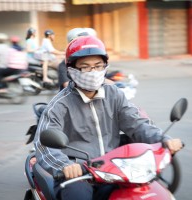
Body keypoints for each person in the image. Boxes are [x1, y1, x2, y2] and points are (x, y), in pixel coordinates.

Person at [33, 35, 183, 200]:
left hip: (116, 169)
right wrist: (65, 166)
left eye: (98, 66)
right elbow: (44, 144)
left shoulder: (114, 94)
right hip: (79, 174)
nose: (93, 72)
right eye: (85, 67)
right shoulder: (59, 105)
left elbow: (137, 123)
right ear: (71, 69)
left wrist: (163, 139)